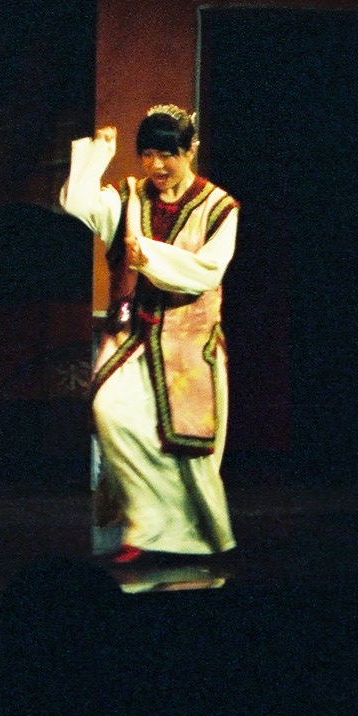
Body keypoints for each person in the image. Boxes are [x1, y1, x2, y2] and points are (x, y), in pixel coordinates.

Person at [60, 105, 238, 562]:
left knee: (184, 445)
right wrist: (99, 155)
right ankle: (146, 524)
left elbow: (208, 270)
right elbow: (78, 204)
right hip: (135, 334)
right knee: (110, 410)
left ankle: (189, 536)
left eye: (167, 155)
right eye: (148, 155)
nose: (156, 165)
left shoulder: (218, 207)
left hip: (189, 340)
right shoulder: (129, 197)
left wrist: (151, 259)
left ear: (191, 150)